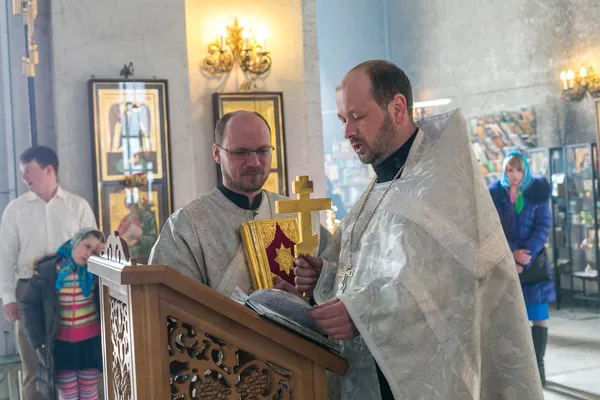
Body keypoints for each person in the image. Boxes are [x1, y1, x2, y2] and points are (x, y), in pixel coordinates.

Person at [286, 60, 543, 399]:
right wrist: (327, 276)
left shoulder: (441, 186)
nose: (347, 132)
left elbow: (450, 287)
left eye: (358, 117)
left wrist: (362, 313)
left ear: (397, 108)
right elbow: (370, 271)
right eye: (342, 120)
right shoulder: (380, 187)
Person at [148, 110, 332, 296]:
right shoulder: (186, 225)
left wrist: (316, 283)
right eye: (240, 152)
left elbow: (342, 283)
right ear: (217, 153)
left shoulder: (298, 215)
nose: (254, 162)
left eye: (263, 150)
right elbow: (170, 303)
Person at [0, 146, 97, 400]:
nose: (24, 178)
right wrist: (8, 298)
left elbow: (95, 251)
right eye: (22, 173)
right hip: (29, 290)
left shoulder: (77, 206)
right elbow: (5, 256)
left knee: (73, 365)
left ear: (49, 170)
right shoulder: (15, 209)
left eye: (29, 171)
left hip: (74, 293)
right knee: (34, 365)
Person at [489, 152, 555, 385]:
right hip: (508, 263)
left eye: (518, 169)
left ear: (525, 170)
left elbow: (543, 224)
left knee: (539, 315)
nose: (514, 175)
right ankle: (522, 368)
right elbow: (493, 228)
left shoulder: (537, 192)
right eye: (510, 170)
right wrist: (512, 255)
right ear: (504, 171)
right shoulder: (494, 194)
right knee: (514, 318)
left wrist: (525, 255)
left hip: (533, 263)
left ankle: (539, 366)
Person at [20, 228, 106, 400]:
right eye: (86, 246)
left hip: (89, 343)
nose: (89, 253)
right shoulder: (48, 272)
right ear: (74, 243)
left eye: (94, 250)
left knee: (90, 391)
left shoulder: (97, 273)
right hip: (61, 344)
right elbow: (28, 305)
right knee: (68, 393)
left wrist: (107, 257)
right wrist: (38, 340)